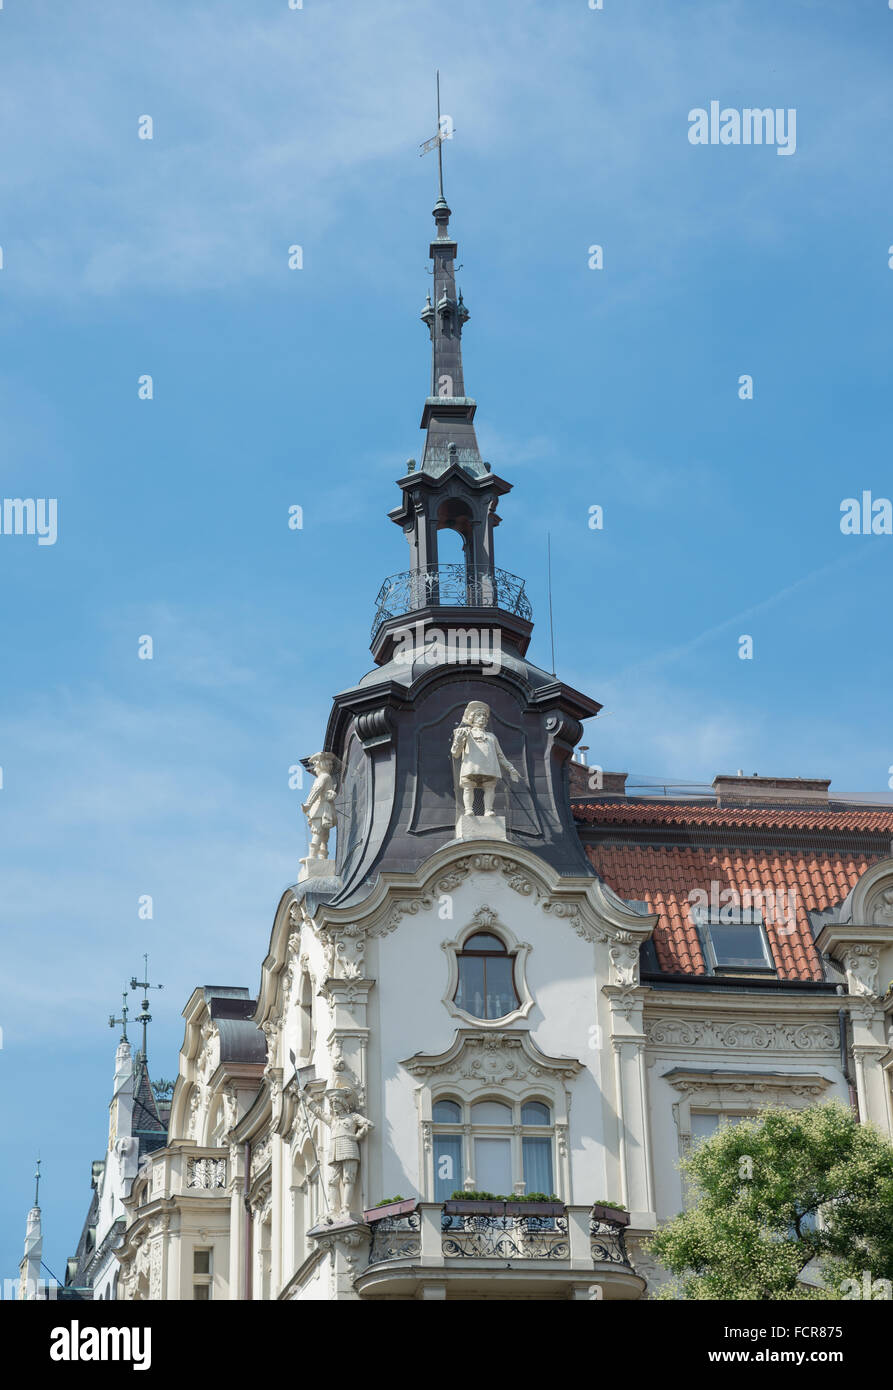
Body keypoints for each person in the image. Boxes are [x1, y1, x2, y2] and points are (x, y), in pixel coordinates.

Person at [450, 700, 520, 817]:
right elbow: (455, 753)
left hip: (489, 766)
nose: (481, 718)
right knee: (468, 786)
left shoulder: (492, 737)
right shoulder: (465, 733)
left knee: (489, 787)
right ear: (472, 718)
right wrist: (458, 740)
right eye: (478, 715)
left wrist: (510, 768)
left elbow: (500, 755)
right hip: (471, 766)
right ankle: (468, 809)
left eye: (484, 716)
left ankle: (488, 810)